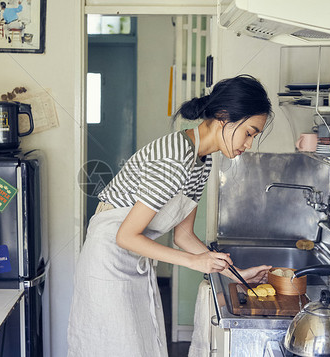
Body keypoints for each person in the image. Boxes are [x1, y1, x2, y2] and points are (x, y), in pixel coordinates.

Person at [67, 74, 273, 357]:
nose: (249, 144)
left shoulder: (202, 161)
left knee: (140, 345)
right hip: (109, 261)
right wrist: (195, 261)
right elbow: (126, 236)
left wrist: (235, 275)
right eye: (249, 132)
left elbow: (183, 235)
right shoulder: (175, 158)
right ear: (224, 117)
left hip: (133, 259)